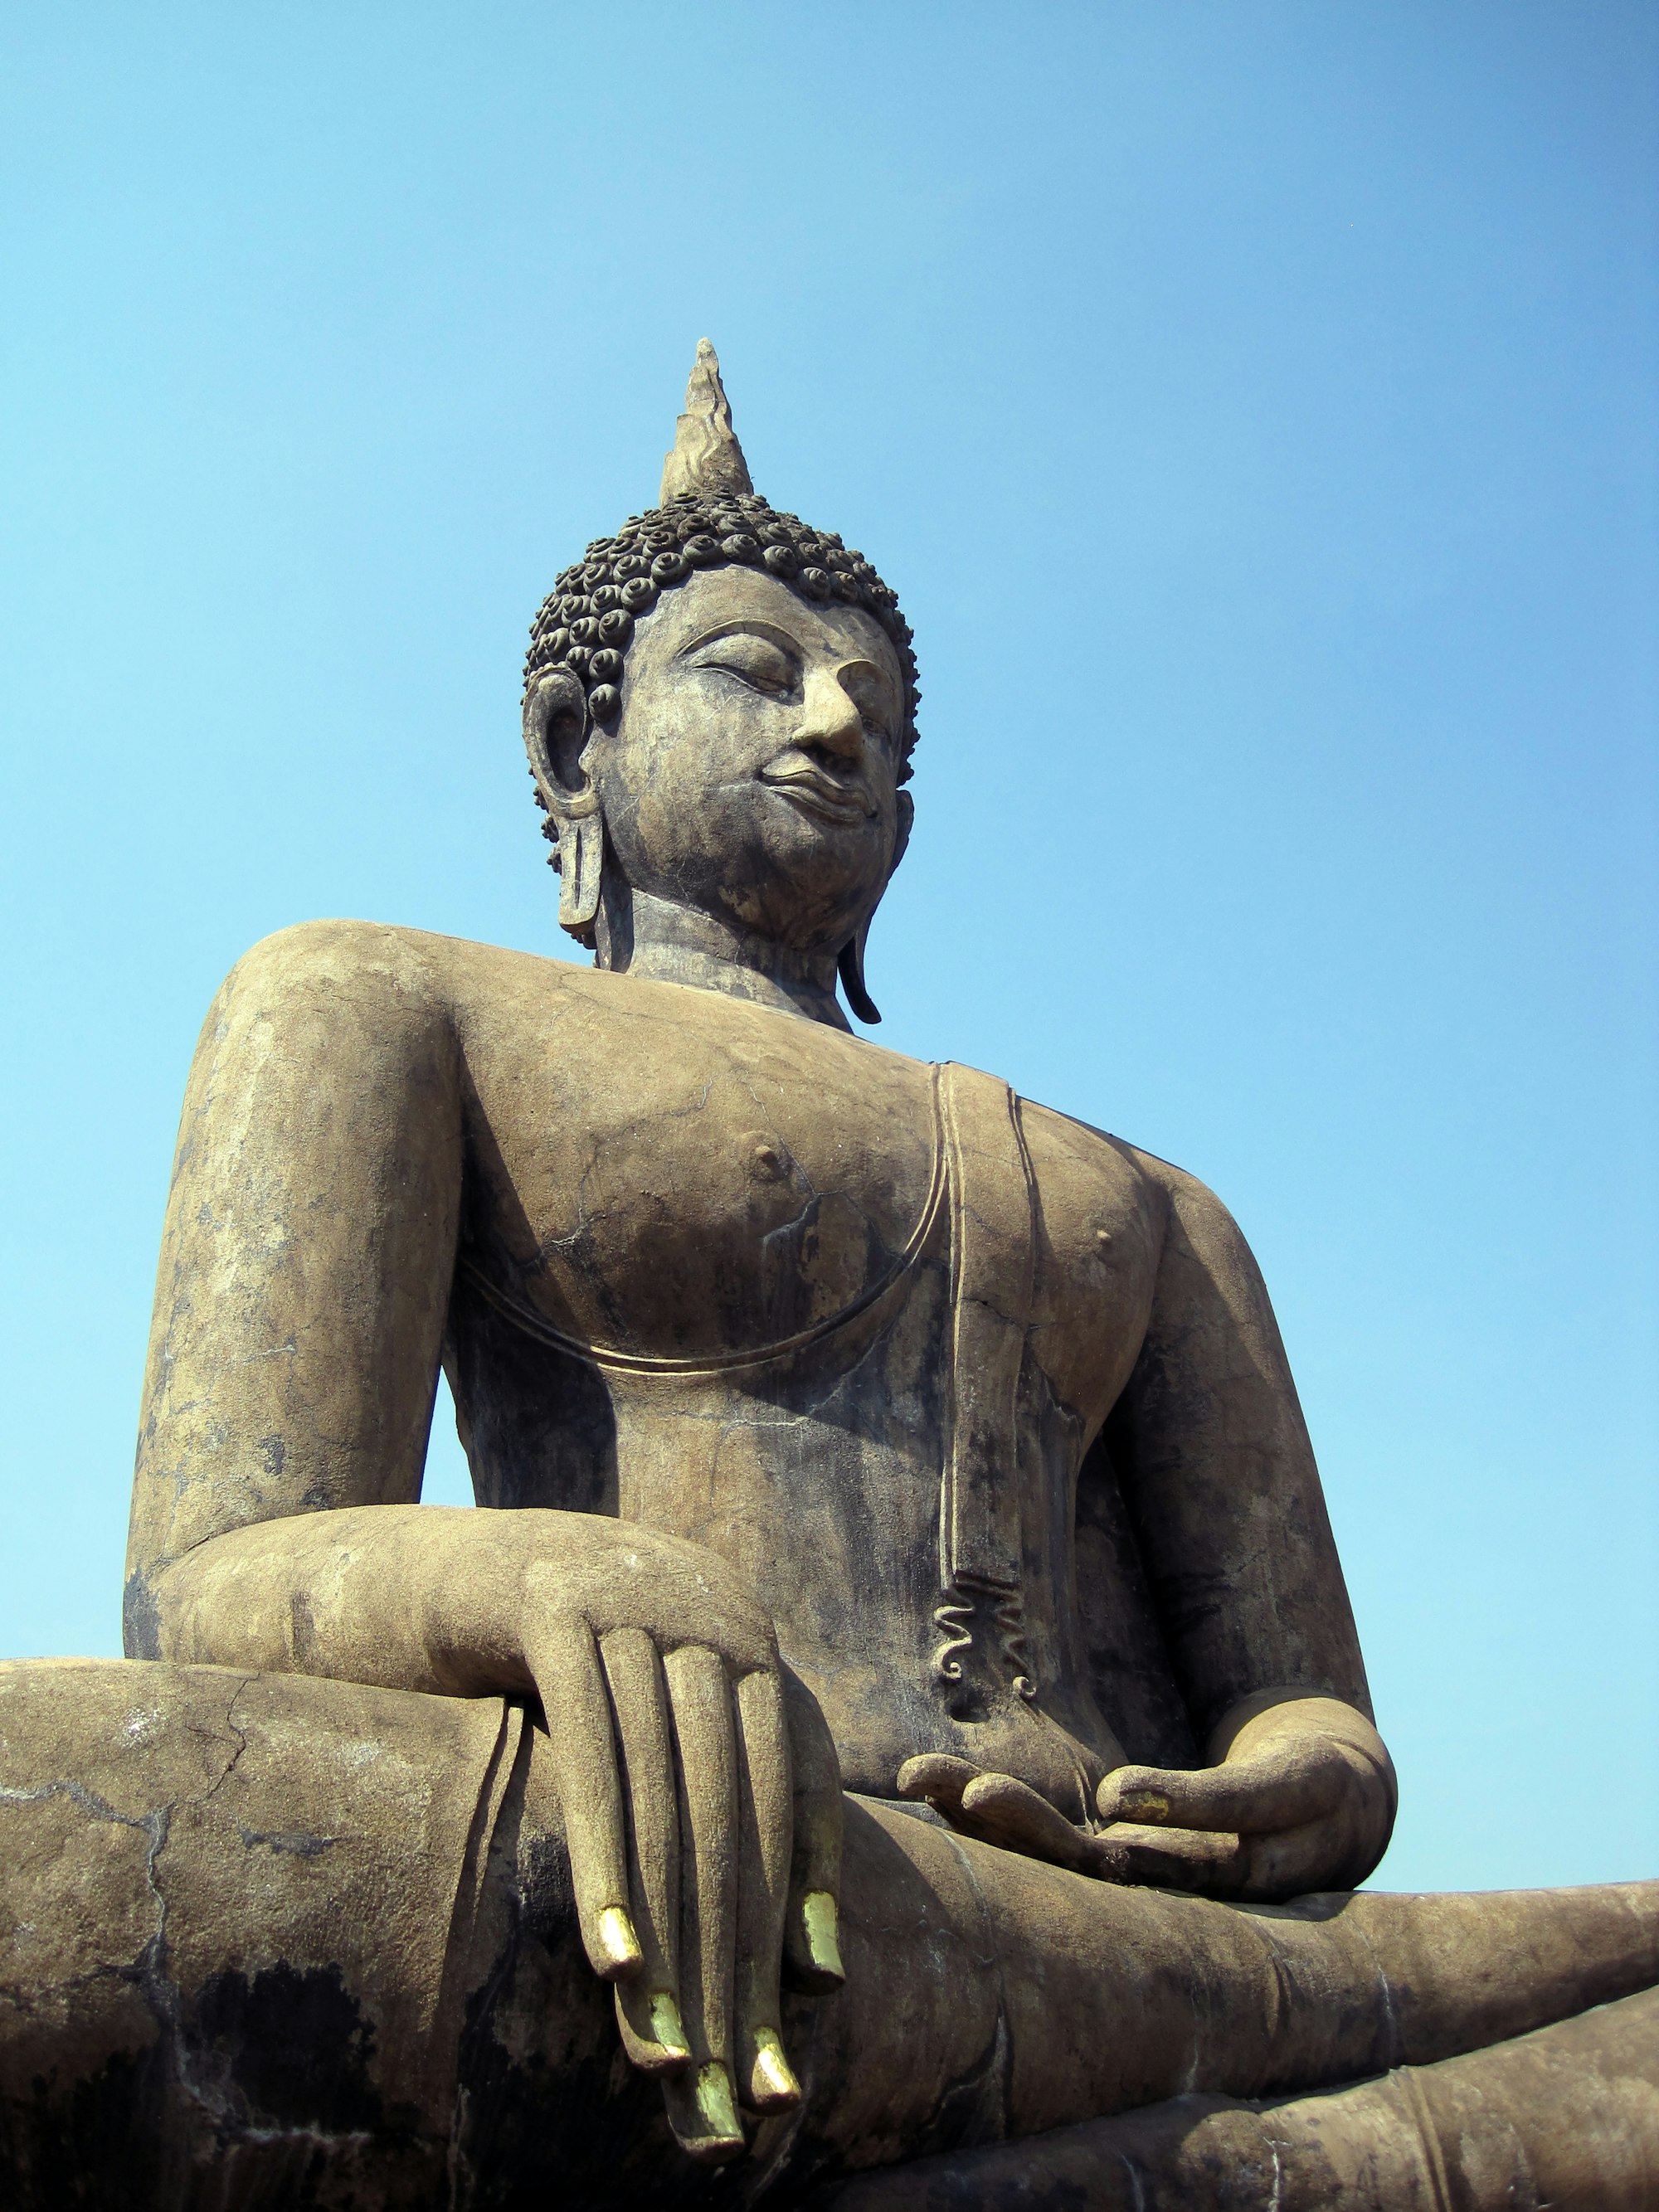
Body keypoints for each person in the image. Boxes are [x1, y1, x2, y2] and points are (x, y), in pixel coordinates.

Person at [3, 346, 1652, 2208]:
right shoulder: (372, 997)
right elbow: (214, 1579)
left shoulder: (1145, 1202)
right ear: (576, 743)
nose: (840, 724)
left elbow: (1306, 1708)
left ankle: (1207, 2087)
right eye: (757, 671)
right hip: (671, 1847)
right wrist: (564, 1571)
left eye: (881, 708)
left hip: (1099, 1912)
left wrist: (1296, 1779)